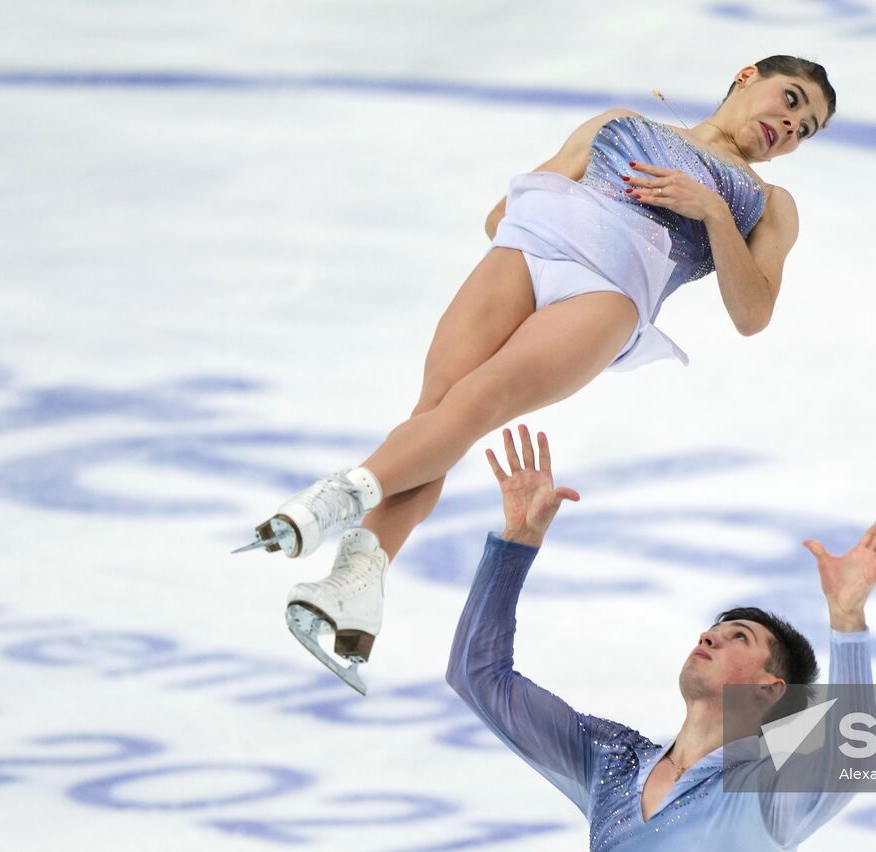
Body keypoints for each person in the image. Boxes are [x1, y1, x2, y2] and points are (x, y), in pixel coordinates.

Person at [233, 56, 837, 692]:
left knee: (475, 404)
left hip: (605, 291)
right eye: (791, 99)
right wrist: (563, 222)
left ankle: (334, 499)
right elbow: (503, 212)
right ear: (747, 76)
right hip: (528, 251)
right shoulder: (618, 123)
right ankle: (353, 589)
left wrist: (712, 213)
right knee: (435, 415)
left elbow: (752, 313)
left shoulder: (769, 203)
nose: (792, 125)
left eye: (807, 127)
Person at [447, 425, 876, 852]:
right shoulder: (611, 763)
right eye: (713, 630)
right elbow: (476, 676)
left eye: (738, 637)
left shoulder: (766, 793)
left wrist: (847, 621)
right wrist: (517, 542)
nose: (708, 637)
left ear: (770, 688)